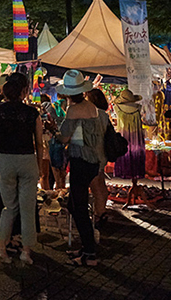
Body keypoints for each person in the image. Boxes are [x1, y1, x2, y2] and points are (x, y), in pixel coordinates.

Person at [0, 72, 42, 264]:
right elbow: (39, 143)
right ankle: (26, 251)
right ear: (23, 92)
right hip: (27, 160)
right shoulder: (32, 113)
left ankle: (1, 248)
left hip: (5, 160)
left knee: (9, 207)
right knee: (27, 207)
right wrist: (38, 166)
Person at [56, 70, 105, 267]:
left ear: (68, 94)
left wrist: (54, 131)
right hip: (93, 161)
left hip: (81, 161)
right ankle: (86, 248)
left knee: (78, 207)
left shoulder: (73, 110)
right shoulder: (92, 107)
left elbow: (64, 137)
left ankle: (89, 253)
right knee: (79, 205)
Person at [85, 88, 111, 224]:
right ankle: (101, 211)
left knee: (96, 187)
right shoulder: (104, 115)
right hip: (101, 153)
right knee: (100, 184)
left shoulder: (92, 115)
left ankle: (100, 214)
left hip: (92, 154)